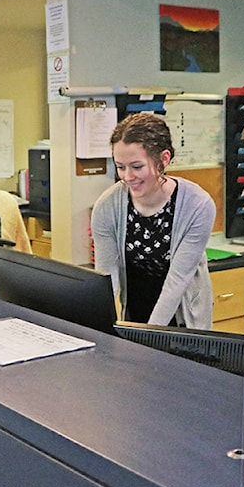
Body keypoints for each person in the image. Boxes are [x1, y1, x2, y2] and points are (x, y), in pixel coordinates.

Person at [91, 112, 215, 329]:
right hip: (135, 311)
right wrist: (98, 328)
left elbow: (177, 281)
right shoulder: (108, 206)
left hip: (184, 319)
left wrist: (149, 335)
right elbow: (106, 279)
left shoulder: (197, 205)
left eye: (137, 166)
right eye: (120, 166)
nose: (128, 176)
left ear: (163, 159)